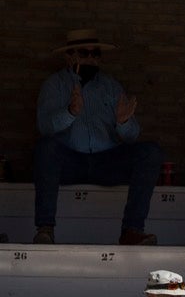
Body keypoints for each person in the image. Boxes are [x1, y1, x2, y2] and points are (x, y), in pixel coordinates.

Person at [33, 29, 162, 246]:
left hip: (106, 162)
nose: (92, 59)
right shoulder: (54, 85)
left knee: (150, 152)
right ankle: (45, 229)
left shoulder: (110, 86)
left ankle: (132, 230)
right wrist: (70, 112)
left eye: (96, 54)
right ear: (69, 56)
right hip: (70, 162)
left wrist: (123, 122)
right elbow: (45, 127)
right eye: (85, 53)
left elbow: (132, 136)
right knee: (45, 148)